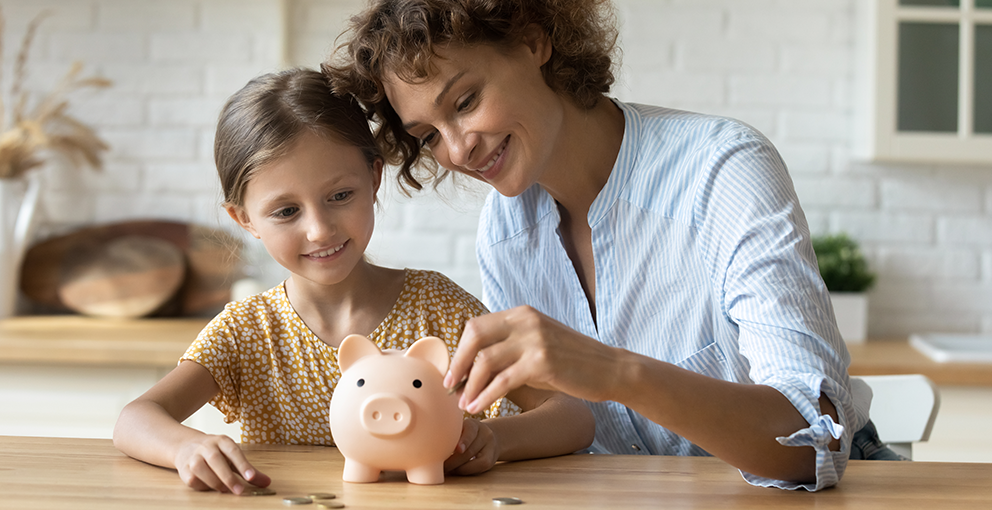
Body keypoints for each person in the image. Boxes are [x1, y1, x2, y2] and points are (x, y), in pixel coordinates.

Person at [324, 0, 884, 491]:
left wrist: (613, 371)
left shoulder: (722, 171)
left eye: (466, 101)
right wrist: (488, 438)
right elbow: (577, 424)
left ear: (533, 40)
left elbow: (817, 446)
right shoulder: (506, 230)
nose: (458, 149)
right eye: (428, 135)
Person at [112, 68, 594, 495]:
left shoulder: (440, 310)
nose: (319, 229)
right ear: (245, 220)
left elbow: (573, 415)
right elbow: (136, 418)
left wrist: (495, 439)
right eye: (286, 211)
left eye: (340, 195)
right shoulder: (247, 332)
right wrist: (187, 447)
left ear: (374, 178)